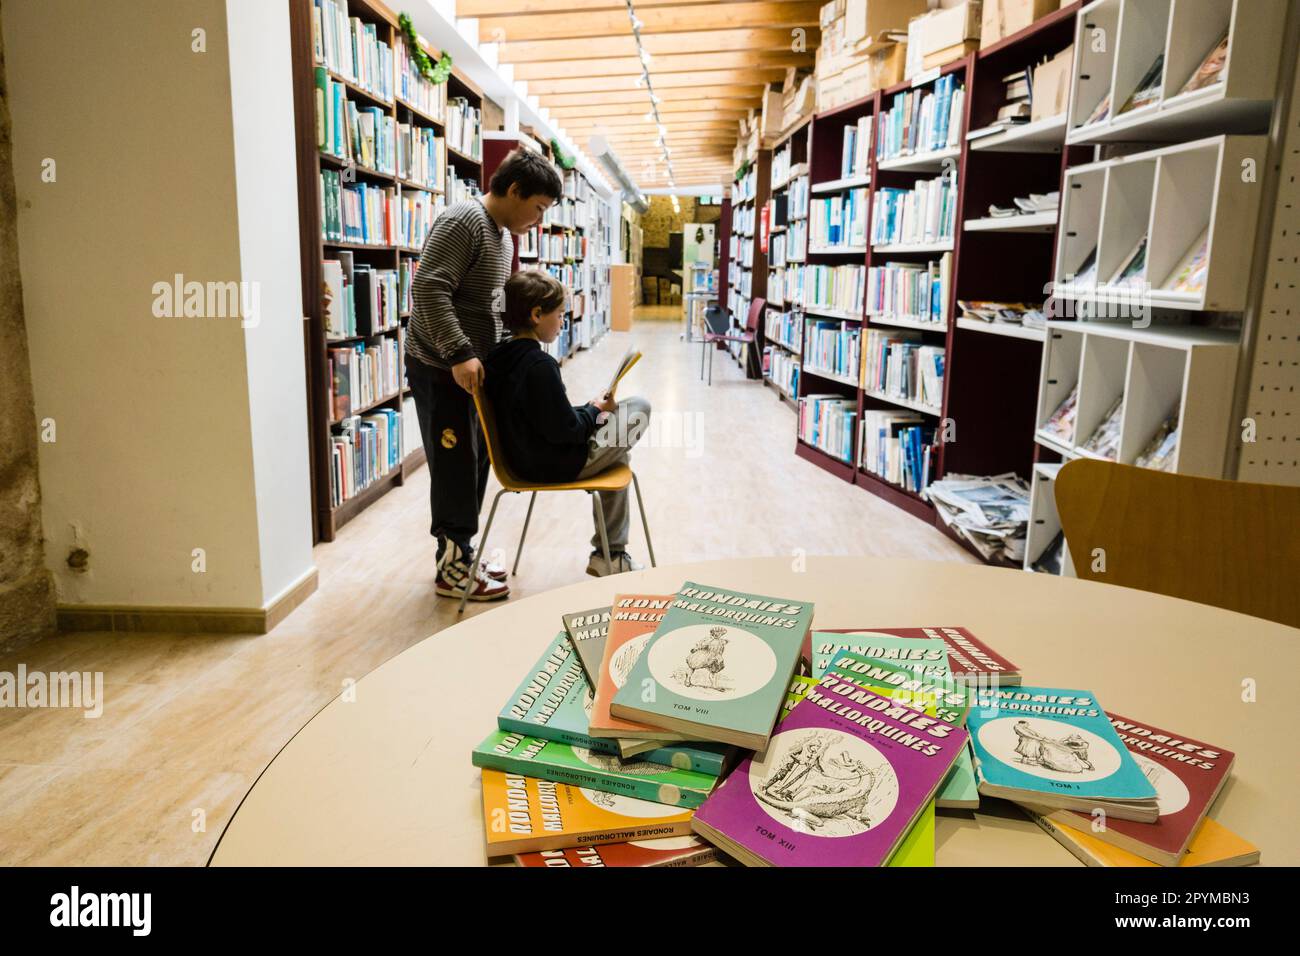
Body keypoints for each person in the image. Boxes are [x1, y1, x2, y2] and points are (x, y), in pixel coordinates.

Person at [406, 148, 562, 601]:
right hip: (441, 368)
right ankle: (451, 570)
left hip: (473, 373)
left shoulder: (504, 237)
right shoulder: (464, 221)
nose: (538, 219)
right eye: (538, 208)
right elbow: (429, 288)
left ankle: (461, 554)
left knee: (475, 463)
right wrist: (458, 352)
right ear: (514, 190)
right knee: (454, 466)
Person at [483, 270, 651, 576]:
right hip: (555, 462)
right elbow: (568, 431)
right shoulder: (540, 365)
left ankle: (610, 555)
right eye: (560, 315)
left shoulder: (499, 357)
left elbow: (542, 417)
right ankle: (610, 554)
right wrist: (597, 413)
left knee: (617, 451)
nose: (563, 322)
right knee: (639, 408)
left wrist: (589, 409)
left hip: (524, 458)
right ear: (537, 314)